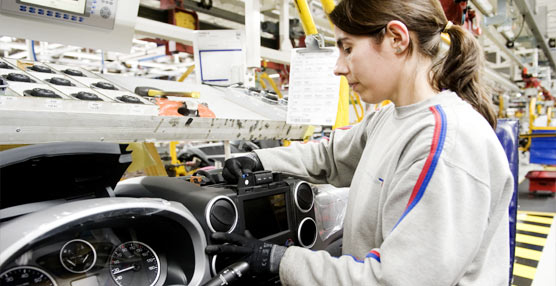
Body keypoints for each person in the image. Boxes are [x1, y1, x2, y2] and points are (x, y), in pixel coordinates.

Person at [206, 0, 514, 285]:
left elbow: (396, 280)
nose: (338, 67)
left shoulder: (444, 143)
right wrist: (260, 160)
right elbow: (329, 156)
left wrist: (279, 260)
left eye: (348, 48)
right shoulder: (391, 118)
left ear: (396, 38)